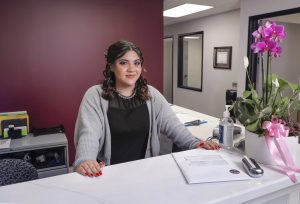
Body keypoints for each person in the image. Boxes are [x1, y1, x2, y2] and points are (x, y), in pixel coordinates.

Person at [74, 40, 220, 177]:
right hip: (109, 173)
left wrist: (193, 143)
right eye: (123, 63)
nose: (131, 69)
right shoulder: (95, 95)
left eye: (136, 63)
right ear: (111, 66)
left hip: (145, 171)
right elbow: (89, 134)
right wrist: (86, 160)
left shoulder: (151, 94)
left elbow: (173, 125)